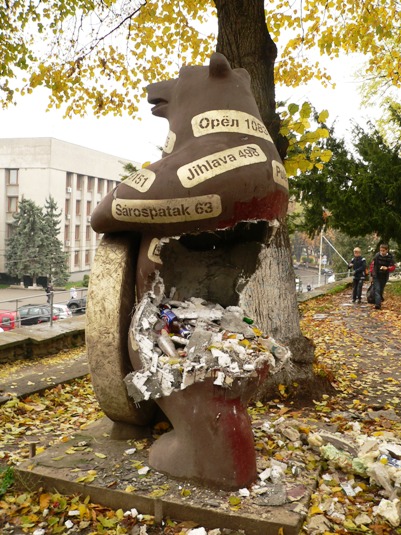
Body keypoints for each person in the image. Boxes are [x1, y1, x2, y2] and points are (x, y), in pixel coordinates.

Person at [370, 244, 395, 310]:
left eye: (383, 251)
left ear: (387, 250)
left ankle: (379, 300)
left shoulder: (390, 257)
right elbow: (372, 265)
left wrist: (387, 268)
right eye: (381, 250)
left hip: (384, 276)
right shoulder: (377, 255)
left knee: (381, 289)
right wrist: (372, 275)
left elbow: (393, 267)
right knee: (377, 289)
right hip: (376, 275)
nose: (382, 252)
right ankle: (377, 304)